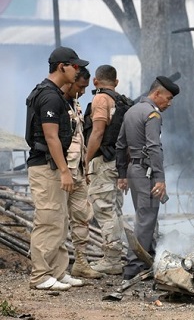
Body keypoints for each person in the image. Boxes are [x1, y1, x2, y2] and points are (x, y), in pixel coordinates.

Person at [24, 46, 88, 290]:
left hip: (53, 165)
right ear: (62, 67)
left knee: (59, 220)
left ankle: (58, 272)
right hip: (46, 165)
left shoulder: (56, 94)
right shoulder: (49, 96)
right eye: (75, 66)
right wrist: (64, 170)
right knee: (48, 219)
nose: (78, 71)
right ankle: (40, 276)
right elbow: (51, 137)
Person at [116, 76, 180, 280]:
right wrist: (160, 178)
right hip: (146, 173)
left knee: (145, 217)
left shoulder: (132, 110)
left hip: (135, 171)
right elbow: (154, 147)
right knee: (146, 219)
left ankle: (148, 259)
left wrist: (122, 173)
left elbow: (120, 145)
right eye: (168, 98)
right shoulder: (153, 114)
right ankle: (133, 267)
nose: (169, 103)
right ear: (157, 93)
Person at [85, 65, 129, 275]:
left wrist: (86, 159)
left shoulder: (101, 99)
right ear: (116, 82)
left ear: (95, 81)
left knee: (103, 209)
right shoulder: (120, 100)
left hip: (103, 161)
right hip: (117, 163)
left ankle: (112, 259)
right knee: (115, 209)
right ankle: (118, 254)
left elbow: (98, 131)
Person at [61, 67, 104, 279]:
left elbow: (80, 139)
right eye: (80, 86)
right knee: (56, 219)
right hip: (62, 171)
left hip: (77, 169)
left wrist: (84, 168)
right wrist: (63, 170)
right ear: (69, 80)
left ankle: (80, 262)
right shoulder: (54, 102)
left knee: (81, 217)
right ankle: (50, 267)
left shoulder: (75, 104)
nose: (84, 91)